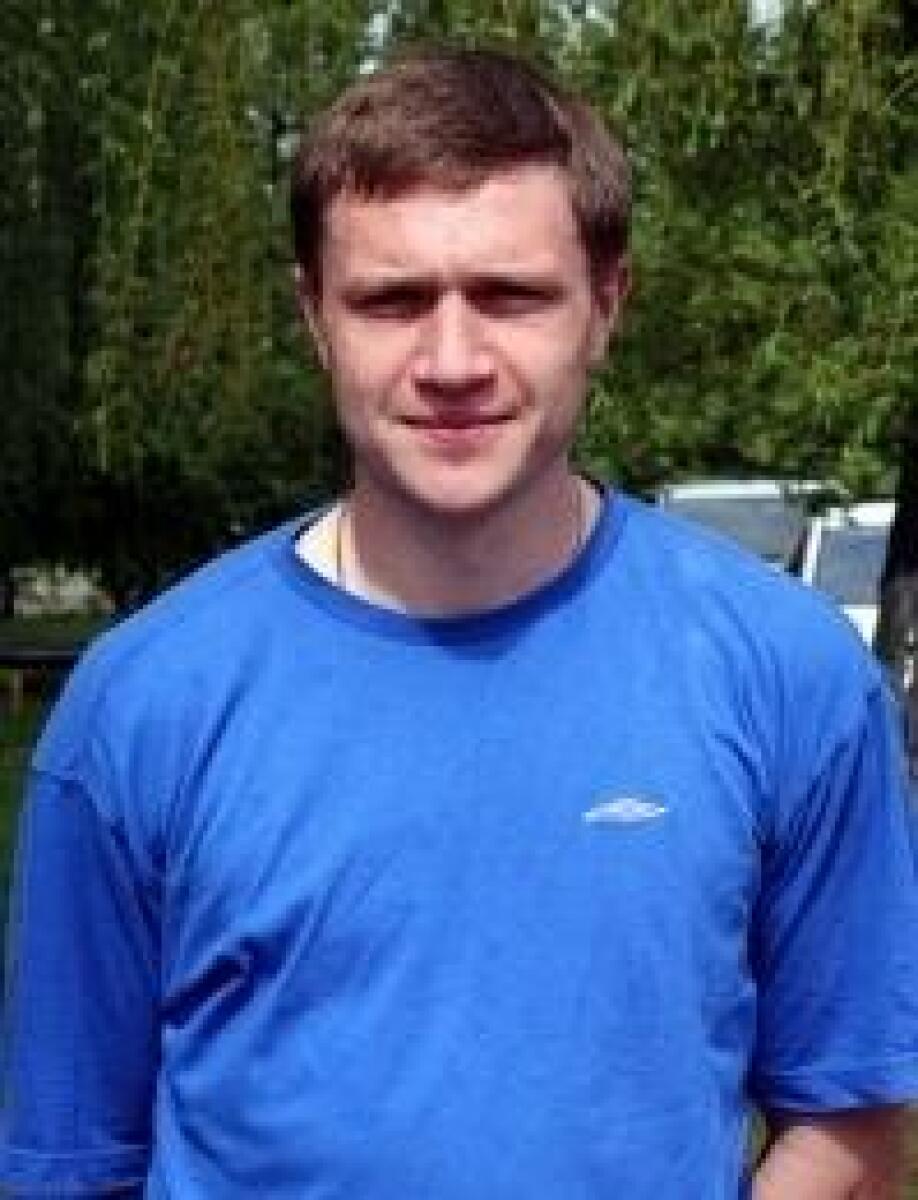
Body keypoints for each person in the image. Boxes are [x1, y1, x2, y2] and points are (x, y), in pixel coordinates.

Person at [1, 46, 917, 1199]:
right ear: (314, 315)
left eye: (509, 296)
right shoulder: (142, 707)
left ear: (607, 305)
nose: (451, 361)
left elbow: (851, 1123)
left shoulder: (788, 677)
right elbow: (69, 1163)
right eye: (391, 301)